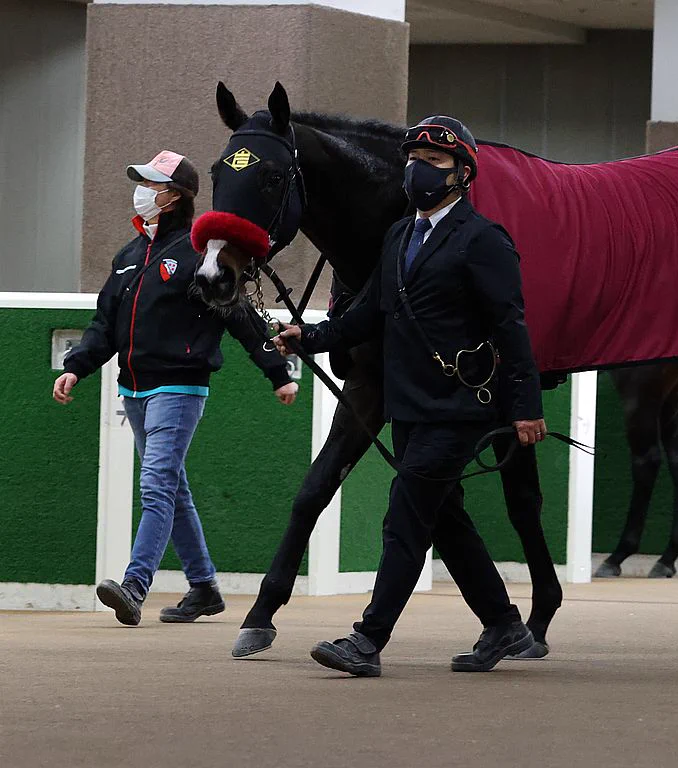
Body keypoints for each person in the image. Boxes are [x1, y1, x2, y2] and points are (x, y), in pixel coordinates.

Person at [273, 116, 545, 676]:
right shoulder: (399, 236)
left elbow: (512, 329)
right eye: (413, 159)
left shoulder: (483, 240)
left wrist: (525, 407)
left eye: (435, 162)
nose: (419, 170)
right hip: (409, 403)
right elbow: (370, 310)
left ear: (462, 175)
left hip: (461, 406)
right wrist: (313, 338)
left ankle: (367, 640)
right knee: (444, 519)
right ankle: (503, 624)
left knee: (405, 517)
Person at [54, 150, 299, 626]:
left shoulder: (199, 253)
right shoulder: (128, 256)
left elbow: (239, 314)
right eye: (142, 182)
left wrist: (276, 372)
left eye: (152, 184)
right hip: (135, 388)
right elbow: (104, 324)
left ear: (174, 197)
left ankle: (134, 584)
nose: (142, 191)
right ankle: (204, 587)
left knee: (157, 484)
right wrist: (76, 367)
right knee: (173, 488)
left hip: (180, 388)